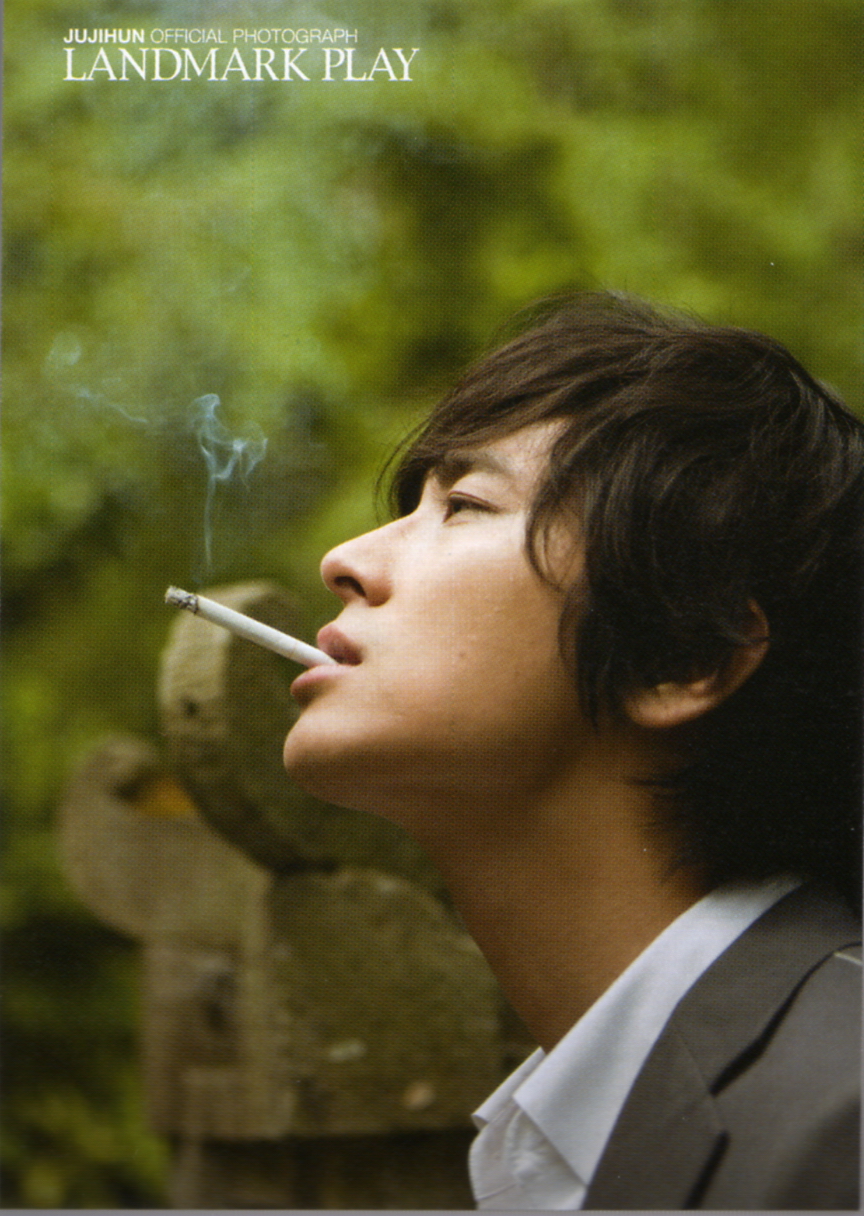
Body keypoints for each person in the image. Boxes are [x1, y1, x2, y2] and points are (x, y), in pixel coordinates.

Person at [282, 292, 862, 1209]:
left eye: (464, 504)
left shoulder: (840, 1126)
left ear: (683, 654)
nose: (347, 559)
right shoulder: (568, 1147)